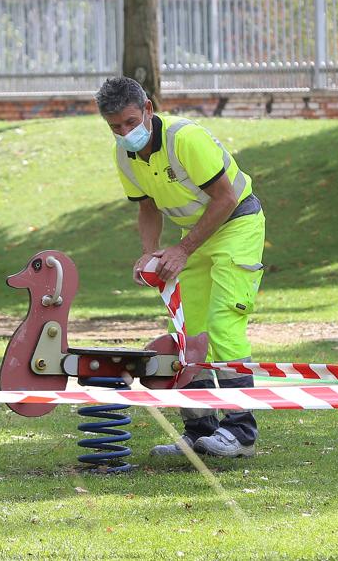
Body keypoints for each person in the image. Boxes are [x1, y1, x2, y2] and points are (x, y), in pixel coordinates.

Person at [95, 76, 266, 458]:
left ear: (148, 110)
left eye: (129, 122)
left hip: (236, 223)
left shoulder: (185, 138)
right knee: (190, 331)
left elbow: (226, 197)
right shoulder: (123, 154)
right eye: (114, 127)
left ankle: (241, 434)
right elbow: (147, 206)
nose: (124, 133)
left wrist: (184, 249)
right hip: (196, 235)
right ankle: (200, 432)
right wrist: (150, 252)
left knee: (224, 325)